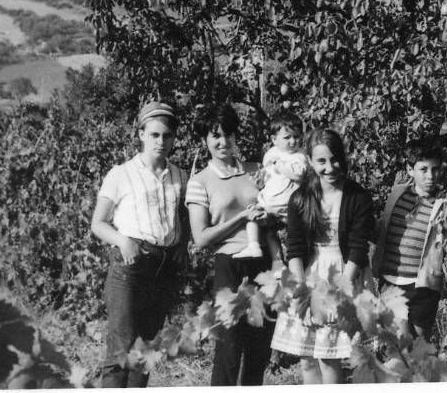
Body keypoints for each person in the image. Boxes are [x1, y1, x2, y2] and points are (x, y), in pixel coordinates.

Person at [90, 101, 188, 388]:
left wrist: (182, 246)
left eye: (167, 135)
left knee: (145, 352)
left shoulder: (180, 176)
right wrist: (123, 241)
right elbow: (98, 223)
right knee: (121, 351)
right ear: (141, 134)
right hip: (129, 268)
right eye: (154, 134)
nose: (161, 141)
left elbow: (181, 215)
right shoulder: (121, 174)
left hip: (162, 269)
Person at [270, 128, 375, 384]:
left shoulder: (357, 197)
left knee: (328, 357)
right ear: (309, 161)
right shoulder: (300, 199)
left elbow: (358, 248)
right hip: (308, 276)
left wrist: (341, 293)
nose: (330, 167)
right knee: (306, 358)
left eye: (335, 159)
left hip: (343, 275)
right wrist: (302, 292)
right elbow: (294, 248)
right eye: (321, 161)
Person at [185, 103, 274, 386]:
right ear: (205, 140)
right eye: (216, 136)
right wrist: (241, 219)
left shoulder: (256, 170)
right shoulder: (200, 182)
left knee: (259, 349)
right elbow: (201, 239)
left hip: (262, 264)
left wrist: (267, 216)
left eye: (229, 135)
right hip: (229, 267)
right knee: (229, 349)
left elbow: (277, 214)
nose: (224, 142)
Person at [371, 142, 447, 339]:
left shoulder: (444, 205)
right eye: (423, 169)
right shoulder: (397, 195)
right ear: (410, 170)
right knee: (402, 340)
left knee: (420, 346)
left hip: (424, 285)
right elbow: (383, 230)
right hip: (392, 280)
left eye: (435, 169)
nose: (430, 176)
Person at [234, 110, 307, 266]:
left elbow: (299, 174)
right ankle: (261, 251)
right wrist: (261, 180)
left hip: (286, 203)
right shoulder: (271, 153)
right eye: (287, 138)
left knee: (290, 235)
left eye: (297, 136)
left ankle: (288, 261)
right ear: (274, 139)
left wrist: (280, 165)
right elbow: (269, 175)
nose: (293, 141)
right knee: (257, 219)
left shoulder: (299, 156)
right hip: (270, 199)